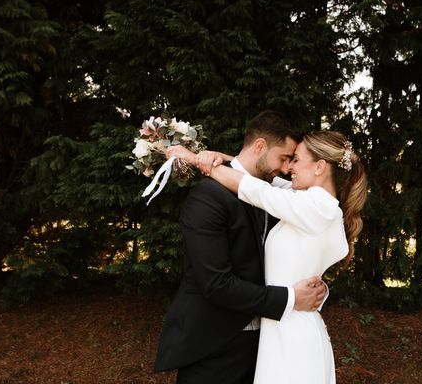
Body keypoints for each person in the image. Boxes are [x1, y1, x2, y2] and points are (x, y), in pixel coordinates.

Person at [171, 130, 368, 384]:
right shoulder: (308, 201)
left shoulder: (317, 206)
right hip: (282, 325)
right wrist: (222, 158)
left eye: (296, 160)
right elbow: (265, 181)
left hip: (292, 334)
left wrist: (196, 160)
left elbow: (257, 190)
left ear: (319, 167)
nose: (288, 168)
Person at [153, 111, 327, 383]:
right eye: (283, 158)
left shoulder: (274, 195)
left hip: (265, 349)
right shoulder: (208, 197)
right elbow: (216, 284)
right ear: (260, 146)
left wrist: (318, 287)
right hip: (214, 349)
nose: (284, 168)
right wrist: (291, 299)